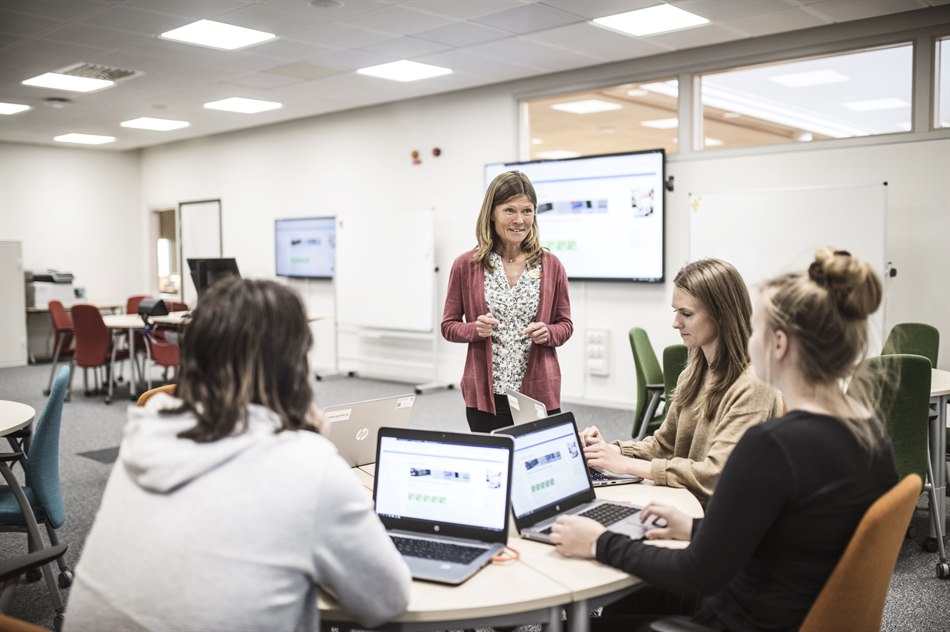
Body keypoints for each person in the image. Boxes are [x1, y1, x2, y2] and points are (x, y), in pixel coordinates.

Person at [551, 248, 898, 632]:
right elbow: (791, 534)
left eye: (757, 328)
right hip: (788, 609)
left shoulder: (772, 445)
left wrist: (599, 542)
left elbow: (697, 572)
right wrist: (694, 527)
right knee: (629, 600)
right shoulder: (873, 436)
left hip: (739, 616)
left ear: (779, 344)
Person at [64, 278, 411, 631]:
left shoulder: (149, 431)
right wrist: (313, 445)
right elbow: (387, 600)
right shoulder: (308, 465)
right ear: (295, 365)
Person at [580, 258, 782, 504]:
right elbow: (664, 446)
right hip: (684, 501)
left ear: (721, 314)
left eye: (686, 314)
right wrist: (610, 450)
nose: (676, 323)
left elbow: (716, 475)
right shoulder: (693, 373)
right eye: (675, 312)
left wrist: (625, 464)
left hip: (719, 514)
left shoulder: (753, 385)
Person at [442, 170, 573, 433]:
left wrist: (548, 332)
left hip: (537, 395)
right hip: (486, 397)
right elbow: (449, 326)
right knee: (491, 458)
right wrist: (474, 329)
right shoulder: (466, 265)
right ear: (492, 213)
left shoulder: (551, 265)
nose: (519, 220)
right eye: (509, 210)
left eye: (527, 211)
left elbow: (565, 325)